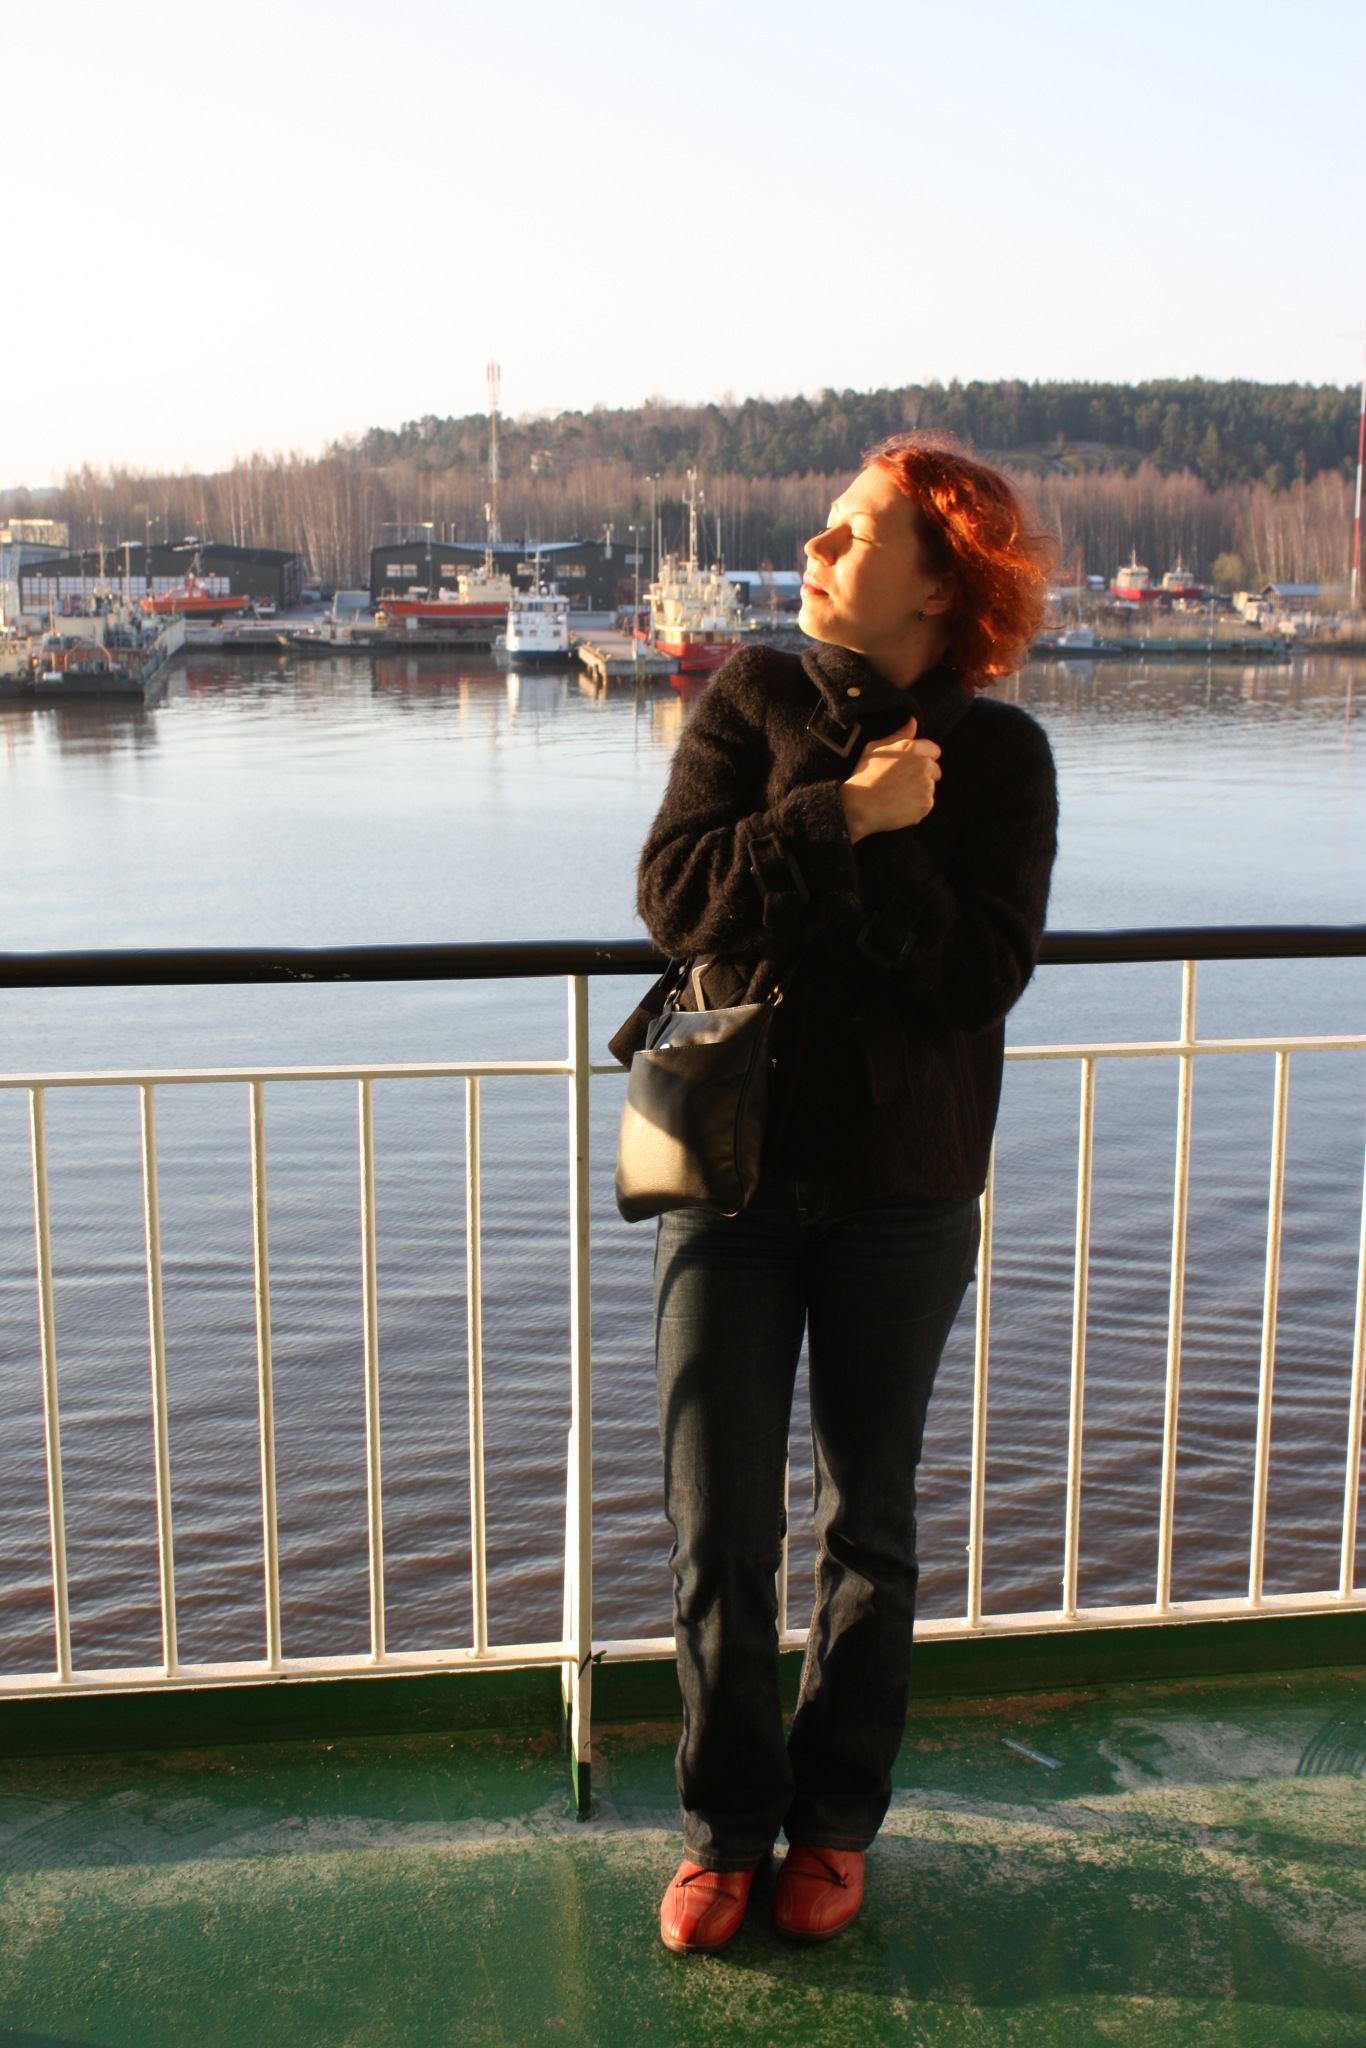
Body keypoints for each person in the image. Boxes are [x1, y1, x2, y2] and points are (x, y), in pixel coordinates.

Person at [625, 435, 1060, 1954]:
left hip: (902, 1191)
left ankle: (831, 1824)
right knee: (717, 1528)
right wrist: (843, 816)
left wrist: (894, 836)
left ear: (942, 584)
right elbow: (675, 898)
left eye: (853, 532)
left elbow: (978, 975)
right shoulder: (751, 694)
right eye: (822, 526)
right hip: (728, 1176)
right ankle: (723, 1829)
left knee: (866, 1525)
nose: (813, 549)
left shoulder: (1002, 760)